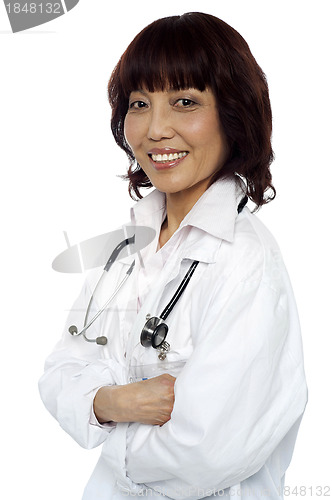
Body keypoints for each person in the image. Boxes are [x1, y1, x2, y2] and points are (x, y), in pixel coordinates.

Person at [39, 12, 307, 500]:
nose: (156, 129)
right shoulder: (127, 245)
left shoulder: (245, 262)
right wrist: (117, 400)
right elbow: (59, 374)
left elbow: (207, 451)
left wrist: (101, 416)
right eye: (140, 103)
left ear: (234, 112)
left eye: (185, 102)